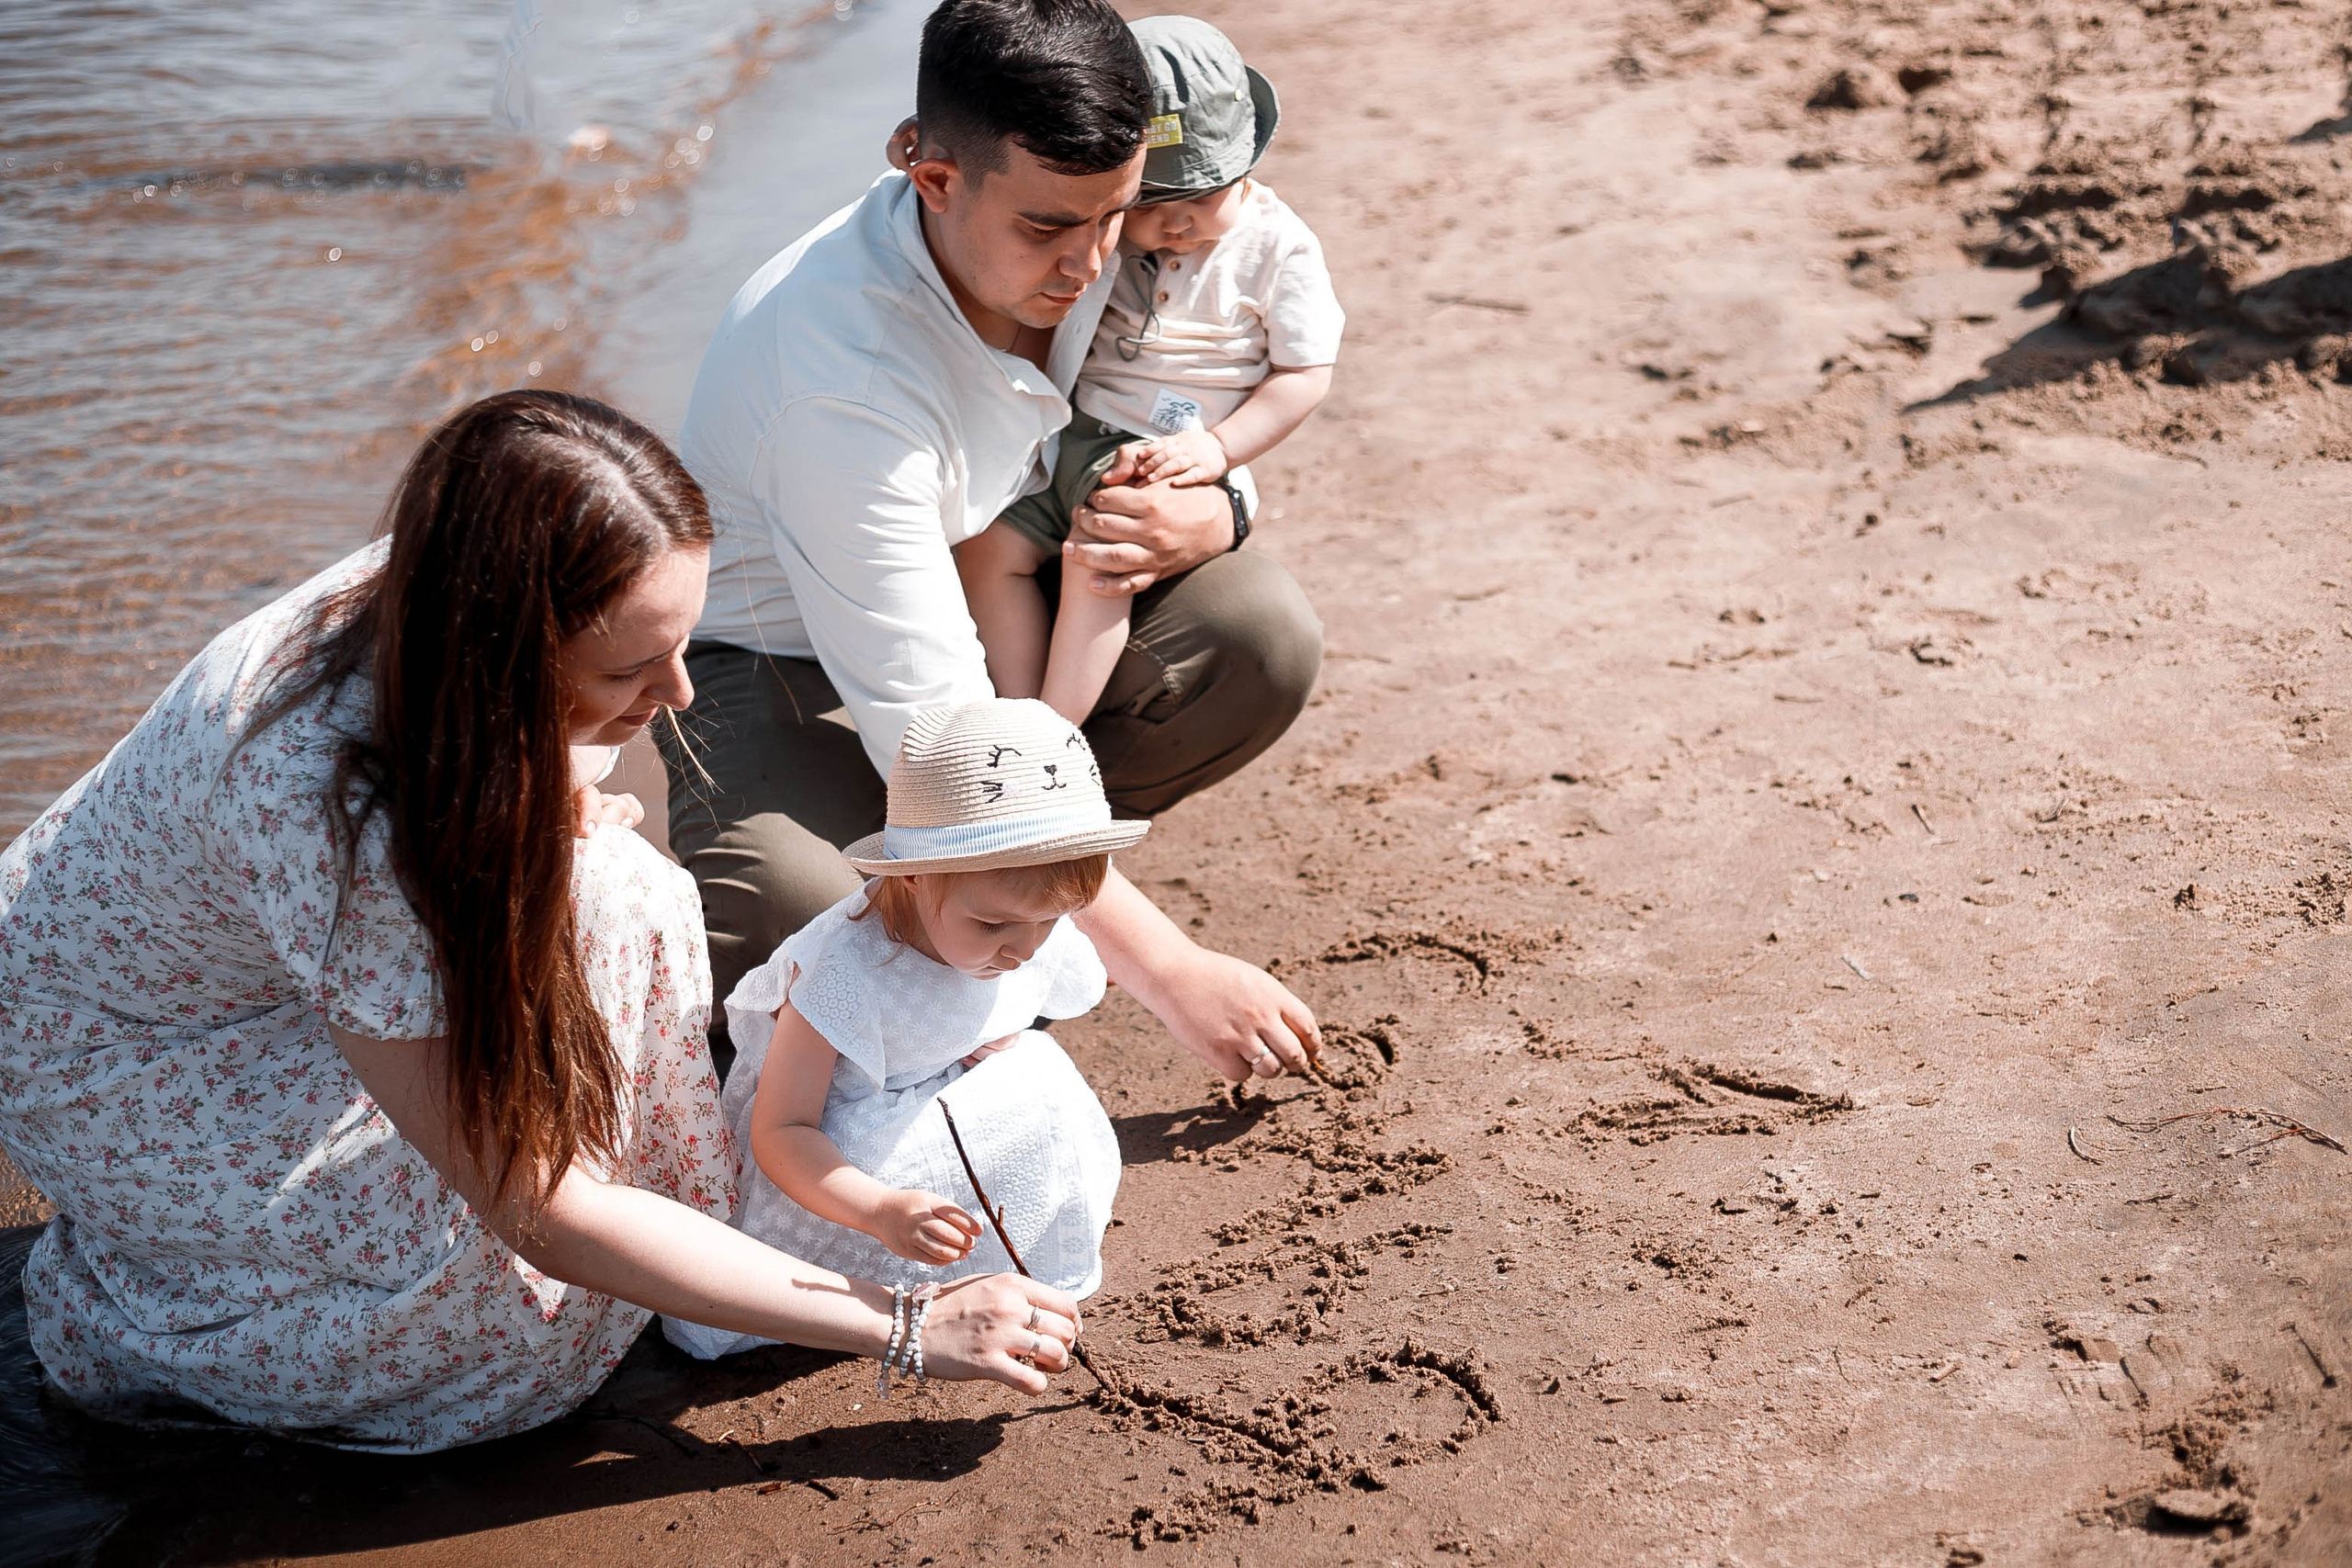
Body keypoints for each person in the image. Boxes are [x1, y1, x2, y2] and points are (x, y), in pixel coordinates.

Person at [0, 391, 1080, 1453]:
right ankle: (143, 1313)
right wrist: (902, 1324)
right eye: (627, 669)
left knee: (620, 893)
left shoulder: (453, 575)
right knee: (520, 1343)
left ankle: (674, 1236)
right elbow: (539, 1210)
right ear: (499, 651)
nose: (679, 693)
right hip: (121, 1056)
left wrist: (564, 779)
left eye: (683, 643)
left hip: (256, 950)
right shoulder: (327, 801)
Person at [662, 0, 1323, 1084]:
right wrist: (1171, 970)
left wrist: (1224, 506)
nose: (1090, 262)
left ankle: (1024, 891)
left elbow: (1177, 397)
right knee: (805, 908)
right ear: (933, 178)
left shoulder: (1089, 222)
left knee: (1252, 636)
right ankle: (995, 893)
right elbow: (940, 735)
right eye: (1049, 229)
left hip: (994, 585)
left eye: (1114, 216)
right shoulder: (840, 385)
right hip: (777, 667)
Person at [670, 699, 1133, 1360]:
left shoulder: (1016, 920)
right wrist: (880, 1210)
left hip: (934, 1113)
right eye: (995, 927)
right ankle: (894, 1287)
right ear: (912, 875)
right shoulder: (841, 973)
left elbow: (1011, 986)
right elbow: (782, 1133)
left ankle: (998, 1256)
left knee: (1041, 1071)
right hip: (841, 1174)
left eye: (1051, 923)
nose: (1025, 950)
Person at [956, 16, 1342, 725]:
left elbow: (1304, 372)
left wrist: (1218, 449)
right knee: (987, 548)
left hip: (1164, 451)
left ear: (1248, 165)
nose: (1178, 223)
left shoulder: (1280, 249)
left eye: (1206, 196)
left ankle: (1056, 731)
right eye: (1154, 203)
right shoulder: (1097, 234)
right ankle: (1015, 712)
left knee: (1101, 557)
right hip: (1067, 436)